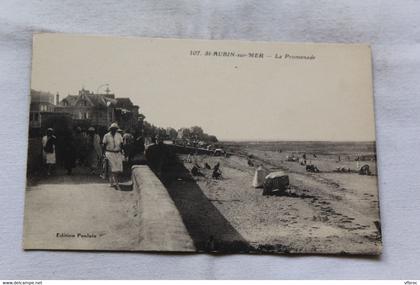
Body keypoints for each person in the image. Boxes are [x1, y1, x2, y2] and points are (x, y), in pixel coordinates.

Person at [102, 123, 124, 189]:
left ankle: (112, 181)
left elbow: (121, 144)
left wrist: (122, 152)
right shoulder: (106, 136)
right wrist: (103, 154)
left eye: (115, 129)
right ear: (110, 129)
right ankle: (115, 183)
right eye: (113, 129)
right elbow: (104, 145)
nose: (114, 130)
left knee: (117, 169)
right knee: (111, 168)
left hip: (117, 153)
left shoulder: (119, 135)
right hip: (109, 153)